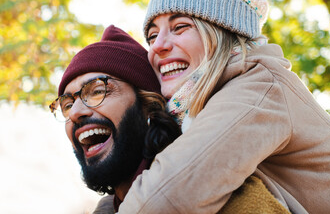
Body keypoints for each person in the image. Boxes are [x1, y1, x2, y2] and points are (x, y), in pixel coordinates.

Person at [117, 0, 330, 213]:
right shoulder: (196, 109)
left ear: (223, 31)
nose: (157, 46)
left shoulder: (258, 87)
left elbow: (161, 200)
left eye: (180, 27)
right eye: (151, 36)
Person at [50, 25, 290, 214]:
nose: (75, 112)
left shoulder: (232, 200)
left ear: (149, 107)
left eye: (97, 91)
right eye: (67, 104)